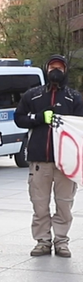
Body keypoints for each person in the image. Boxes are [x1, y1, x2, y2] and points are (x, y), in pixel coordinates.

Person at [15, 55, 83, 258]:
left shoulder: (75, 98)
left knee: (64, 203)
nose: (56, 70)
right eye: (52, 67)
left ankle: (61, 241)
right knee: (39, 203)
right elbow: (19, 118)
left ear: (65, 70)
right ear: (46, 69)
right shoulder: (33, 95)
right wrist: (37, 118)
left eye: (59, 67)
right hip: (39, 160)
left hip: (65, 162)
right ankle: (42, 241)